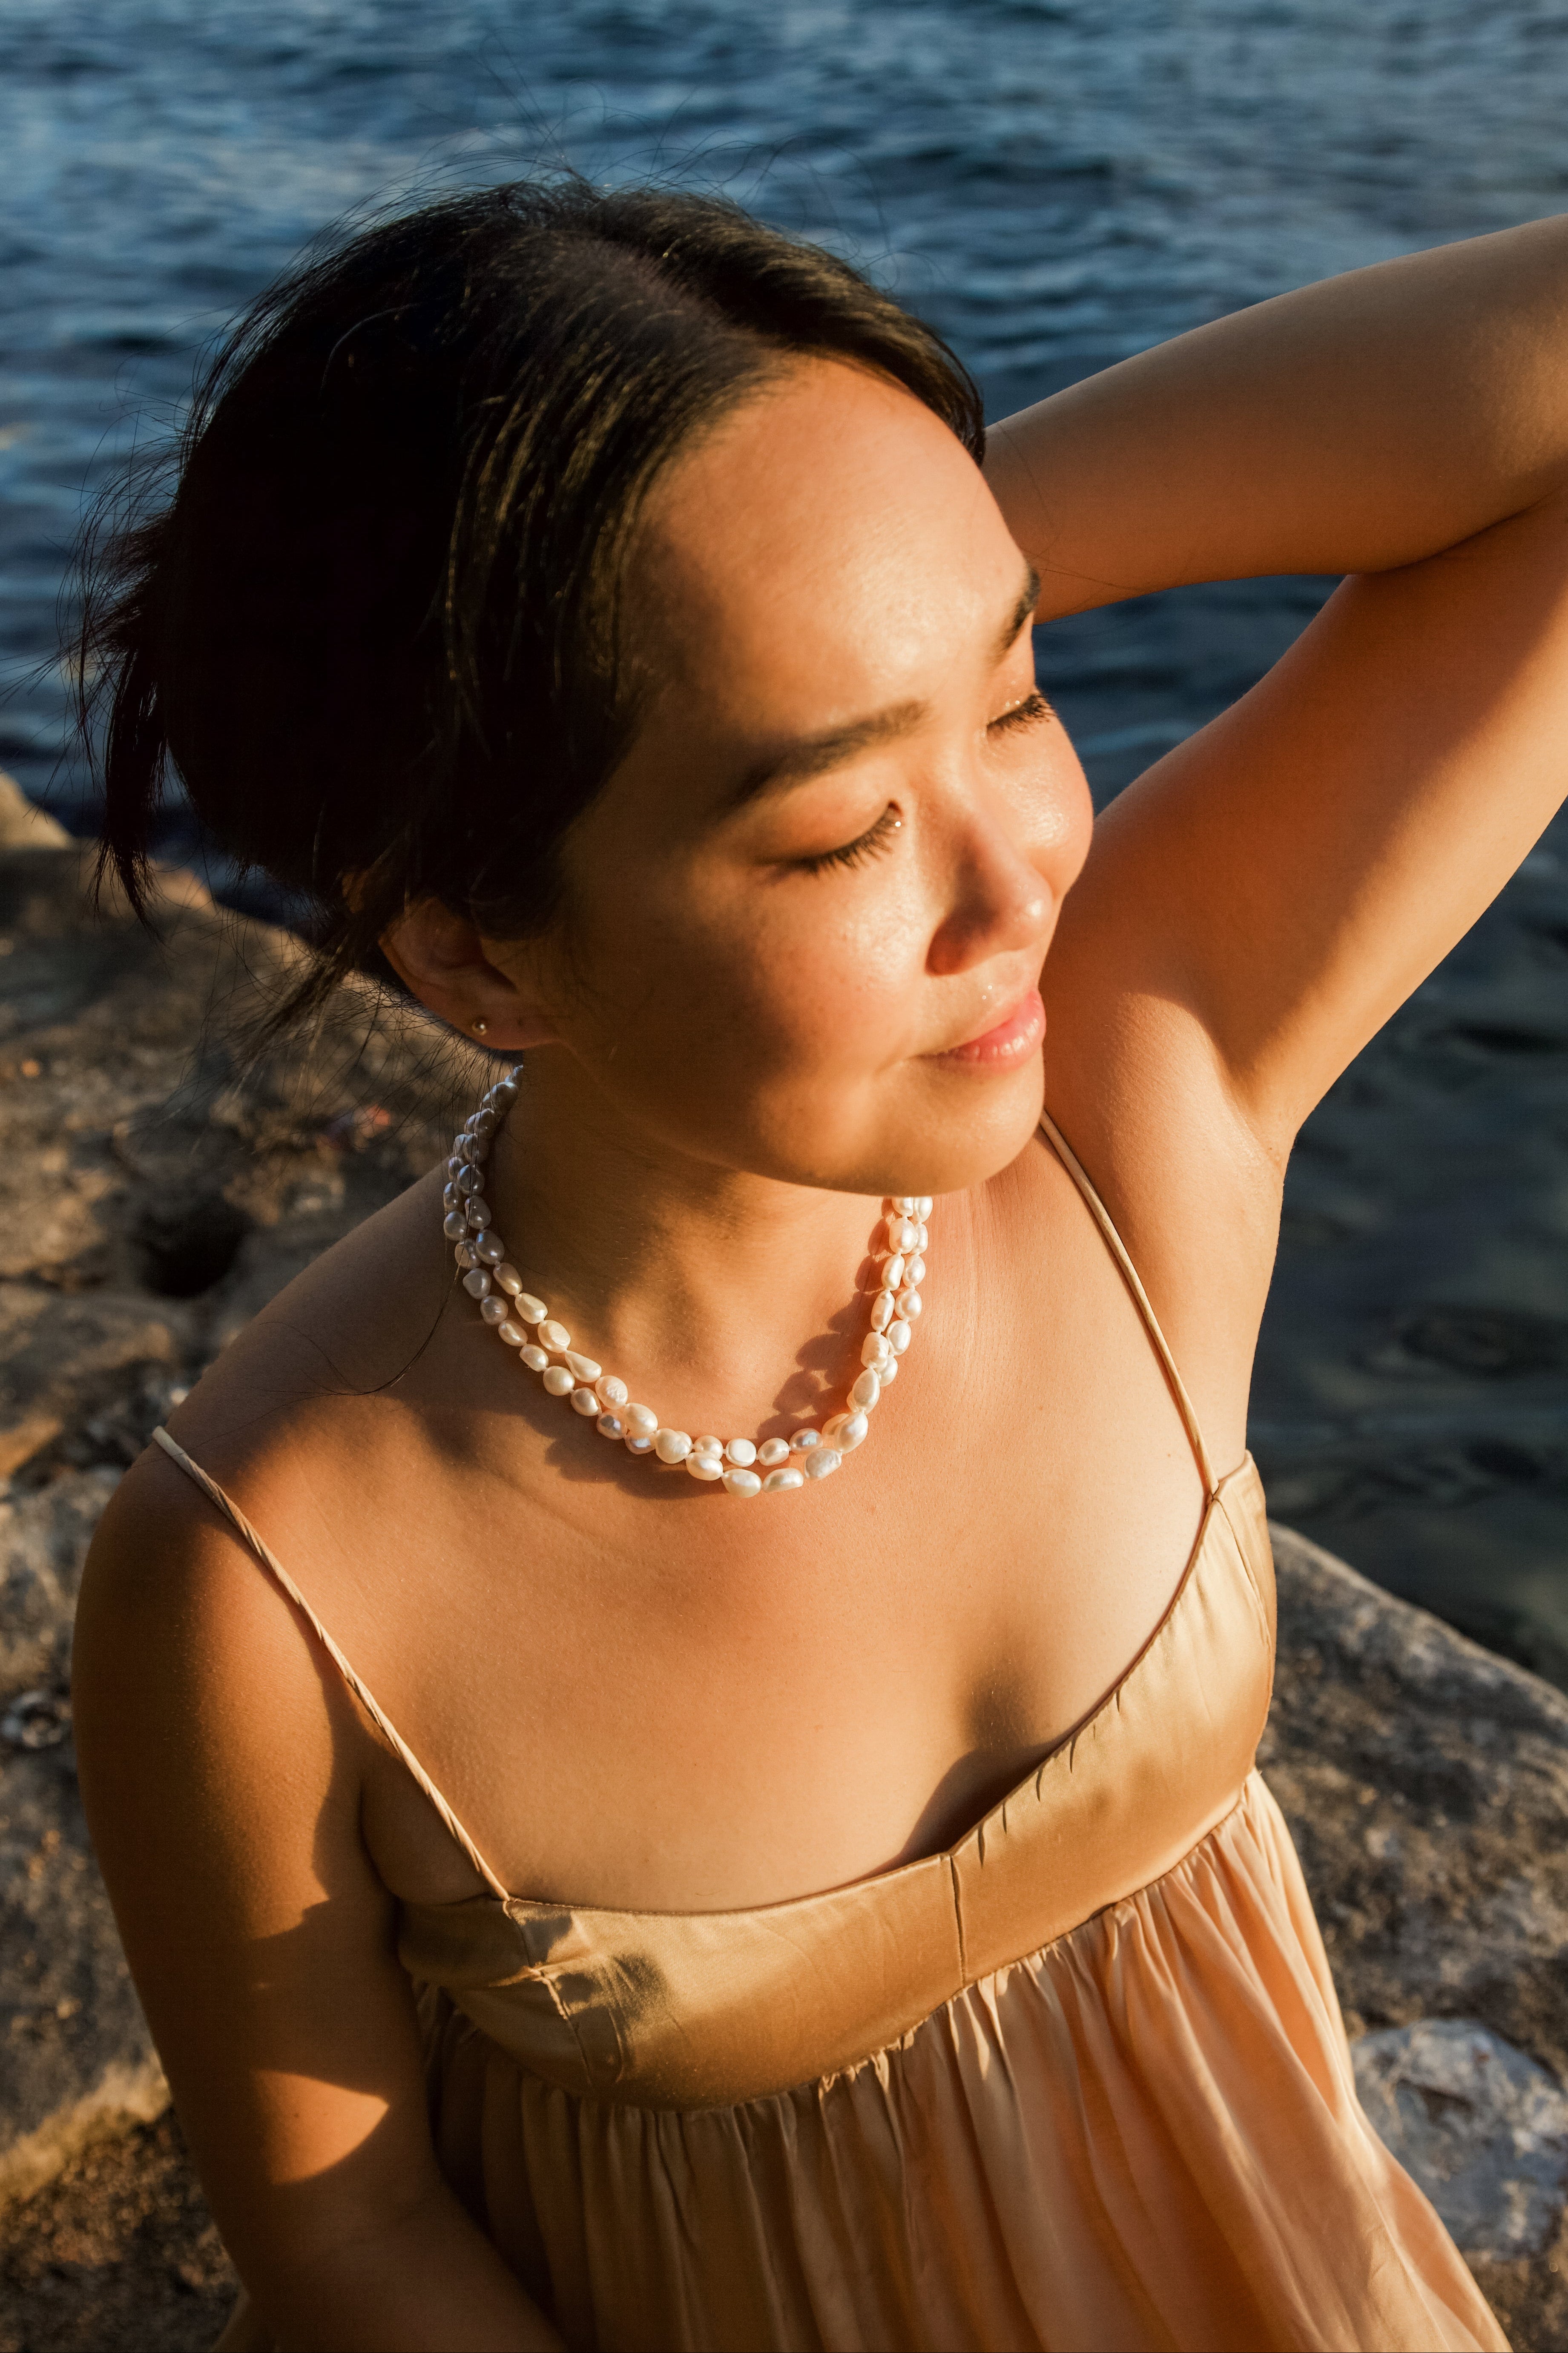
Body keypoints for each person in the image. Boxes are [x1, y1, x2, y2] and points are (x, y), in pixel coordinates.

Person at [69, 175, 1565, 2352]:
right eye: (843, 823)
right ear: (470, 943)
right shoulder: (270, 1583)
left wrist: (876, 545)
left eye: (1025, 689)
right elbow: (354, 2247)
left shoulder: (1141, 1102)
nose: (1020, 873)